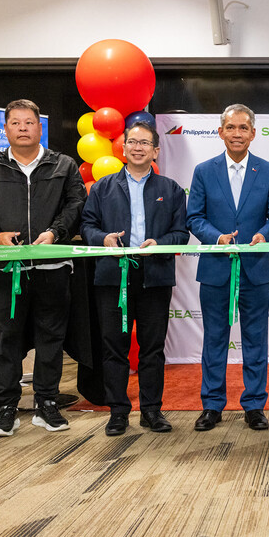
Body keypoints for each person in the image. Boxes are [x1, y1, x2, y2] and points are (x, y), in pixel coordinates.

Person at [0, 99, 85, 437]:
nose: (23, 128)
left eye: (29, 122)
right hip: (4, 272)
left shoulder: (64, 165)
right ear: (6, 129)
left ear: (40, 127)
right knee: (5, 340)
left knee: (51, 339)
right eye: (16, 123)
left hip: (53, 267)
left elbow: (77, 203)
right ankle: (6, 408)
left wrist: (56, 232)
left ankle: (47, 403)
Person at [80, 121, 189, 436]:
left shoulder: (170, 189)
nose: (138, 147)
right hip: (113, 277)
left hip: (154, 277)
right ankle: (117, 412)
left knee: (152, 348)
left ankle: (152, 411)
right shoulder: (102, 187)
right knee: (113, 347)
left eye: (145, 143)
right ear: (123, 148)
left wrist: (161, 244)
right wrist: (103, 239)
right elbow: (87, 225)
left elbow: (182, 233)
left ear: (155, 150)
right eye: (133, 142)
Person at [186, 104, 269, 432]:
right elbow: (194, 218)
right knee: (214, 338)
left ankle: (254, 405)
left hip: (255, 268)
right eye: (231, 127)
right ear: (221, 132)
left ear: (253, 133)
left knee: (255, 339)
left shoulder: (267, 171)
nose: (237, 133)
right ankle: (212, 405)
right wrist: (216, 238)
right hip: (216, 268)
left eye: (244, 128)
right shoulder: (204, 170)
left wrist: (263, 235)